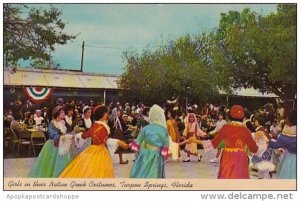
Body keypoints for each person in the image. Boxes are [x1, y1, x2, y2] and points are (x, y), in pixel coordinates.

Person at [59, 105, 117, 178]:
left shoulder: (94, 122)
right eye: (88, 112)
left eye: (90, 112)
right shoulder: (83, 121)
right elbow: (80, 131)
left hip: (90, 141)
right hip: (87, 142)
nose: (89, 114)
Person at [211, 105, 258, 179]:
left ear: (229, 116)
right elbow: (254, 149)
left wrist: (198, 141)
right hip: (241, 158)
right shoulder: (246, 131)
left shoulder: (226, 127)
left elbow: (214, 144)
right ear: (243, 117)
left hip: (227, 158)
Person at [28, 106, 73, 178]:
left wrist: (67, 135)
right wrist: (62, 137)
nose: (64, 113)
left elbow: (67, 130)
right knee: (51, 163)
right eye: (62, 112)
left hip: (62, 144)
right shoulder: (52, 124)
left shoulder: (63, 122)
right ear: (57, 114)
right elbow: (53, 134)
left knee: (63, 161)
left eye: (63, 112)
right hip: (53, 145)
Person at [129, 104, 169, 178]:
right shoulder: (163, 130)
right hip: (156, 156)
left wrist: (139, 154)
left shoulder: (145, 128)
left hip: (144, 155)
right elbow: (166, 146)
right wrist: (163, 156)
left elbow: (136, 144)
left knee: (142, 174)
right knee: (154, 175)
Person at [269, 110, 296, 179]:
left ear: (292, 119)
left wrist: (268, 140)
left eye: (287, 118)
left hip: (292, 159)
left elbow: (278, 144)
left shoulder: (291, 130)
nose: (285, 120)